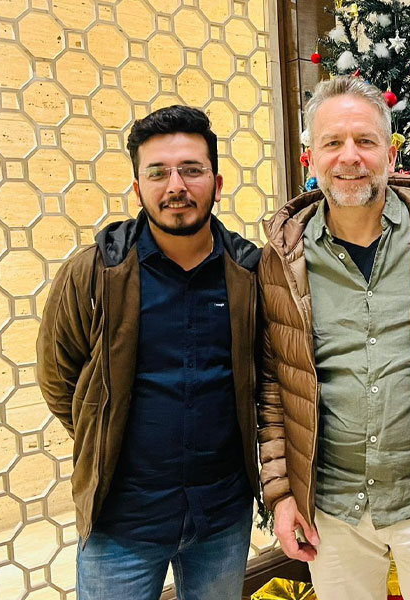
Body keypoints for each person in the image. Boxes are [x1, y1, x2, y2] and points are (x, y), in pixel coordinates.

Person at [257, 76, 410, 600]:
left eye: (365, 140)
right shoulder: (282, 259)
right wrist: (282, 495)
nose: (349, 157)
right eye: (332, 143)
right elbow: (274, 386)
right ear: (310, 157)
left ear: (391, 153)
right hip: (332, 514)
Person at [36, 105, 261, 600]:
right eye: (158, 173)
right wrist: (102, 431)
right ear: (138, 188)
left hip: (221, 518)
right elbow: (58, 377)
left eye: (191, 170)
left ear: (218, 183)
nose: (175, 186)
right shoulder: (96, 272)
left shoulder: (250, 274)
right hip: (122, 521)